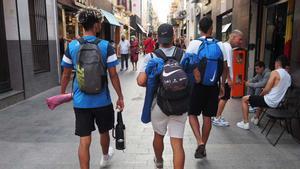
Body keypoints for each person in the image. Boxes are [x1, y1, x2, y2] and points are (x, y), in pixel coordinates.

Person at [60, 9, 124, 169]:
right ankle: (104, 157)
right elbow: (114, 75)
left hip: (81, 102)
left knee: (84, 140)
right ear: (96, 25)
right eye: (99, 24)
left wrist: (62, 94)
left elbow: (66, 74)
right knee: (104, 132)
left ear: (82, 25)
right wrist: (120, 96)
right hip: (102, 100)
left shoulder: (72, 46)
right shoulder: (106, 46)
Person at [137, 23, 187, 169]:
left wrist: (156, 80)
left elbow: (140, 81)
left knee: (158, 136)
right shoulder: (183, 54)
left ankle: (159, 161)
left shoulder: (151, 57)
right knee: (177, 143)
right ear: (174, 37)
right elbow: (195, 78)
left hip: (159, 104)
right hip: (180, 103)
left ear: (157, 38)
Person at [184, 17, 227, 159]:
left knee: (192, 114)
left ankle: (199, 141)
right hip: (213, 86)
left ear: (199, 29)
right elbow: (225, 68)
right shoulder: (221, 45)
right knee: (207, 117)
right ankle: (203, 146)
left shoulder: (194, 44)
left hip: (197, 86)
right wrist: (222, 85)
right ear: (211, 29)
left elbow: (185, 64)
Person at [237, 56, 291, 130]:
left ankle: (245, 123)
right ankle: (256, 118)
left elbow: (267, 89)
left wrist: (261, 95)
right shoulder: (288, 76)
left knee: (244, 99)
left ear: (278, 63)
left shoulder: (275, 72)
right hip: (279, 103)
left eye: (275, 63)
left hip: (270, 101)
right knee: (262, 99)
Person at [212, 30, 244, 127]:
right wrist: (229, 79)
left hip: (222, 78)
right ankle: (217, 118)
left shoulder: (224, 45)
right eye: (240, 39)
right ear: (233, 37)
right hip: (225, 78)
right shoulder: (228, 48)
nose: (241, 42)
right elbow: (227, 66)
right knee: (224, 98)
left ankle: (216, 116)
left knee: (221, 97)